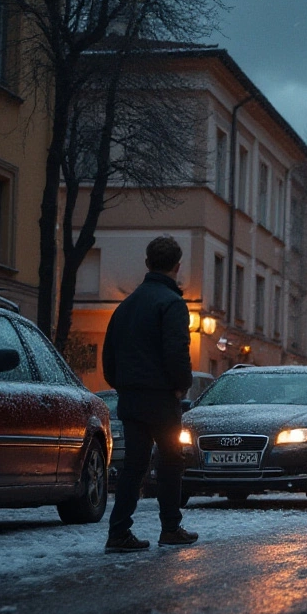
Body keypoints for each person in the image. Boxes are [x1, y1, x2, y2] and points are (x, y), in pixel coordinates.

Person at [102, 235, 199, 553]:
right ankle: (170, 528)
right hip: (161, 397)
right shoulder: (171, 303)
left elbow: (109, 355)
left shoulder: (126, 305)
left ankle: (118, 531)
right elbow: (176, 351)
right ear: (177, 265)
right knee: (171, 461)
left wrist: (123, 384)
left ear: (147, 264)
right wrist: (180, 384)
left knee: (135, 464)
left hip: (131, 397)